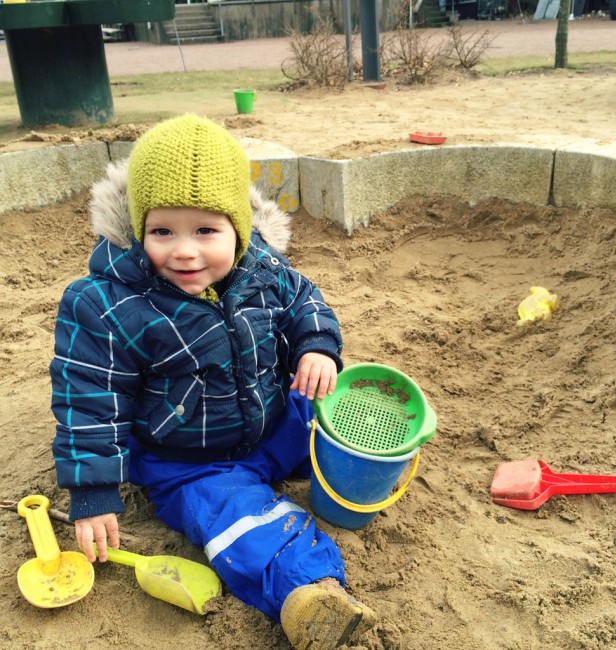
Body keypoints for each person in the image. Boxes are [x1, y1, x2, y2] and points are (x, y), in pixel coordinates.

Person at [50, 114, 377, 649]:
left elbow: (304, 301)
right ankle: (309, 591)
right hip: (186, 458)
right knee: (234, 519)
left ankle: (352, 469)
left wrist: (317, 346)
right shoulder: (107, 303)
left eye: (206, 230)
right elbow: (88, 396)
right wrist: (92, 490)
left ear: (238, 229)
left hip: (272, 421)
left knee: (341, 413)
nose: (184, 251)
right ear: (138, 229)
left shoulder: (261, 267)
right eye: (162, 231)